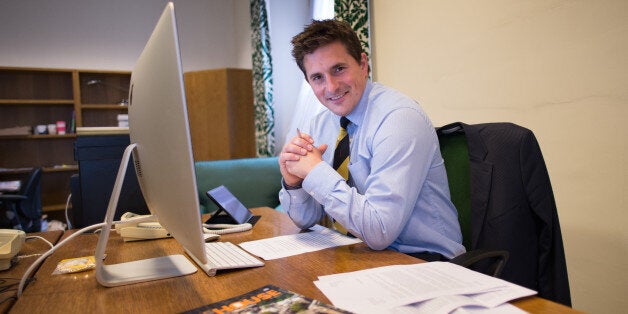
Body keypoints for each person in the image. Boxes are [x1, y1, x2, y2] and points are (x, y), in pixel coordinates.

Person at [278, 19, 464, 261]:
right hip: (360, 254)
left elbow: (379, 231)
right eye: (317, 78)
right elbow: (306, 219)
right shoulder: (319, 123)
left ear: (363, 64)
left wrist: (314, 171)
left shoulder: (399, 119)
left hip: (422, 260)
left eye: (338, 69)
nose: (331, 87)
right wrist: (294, 183)